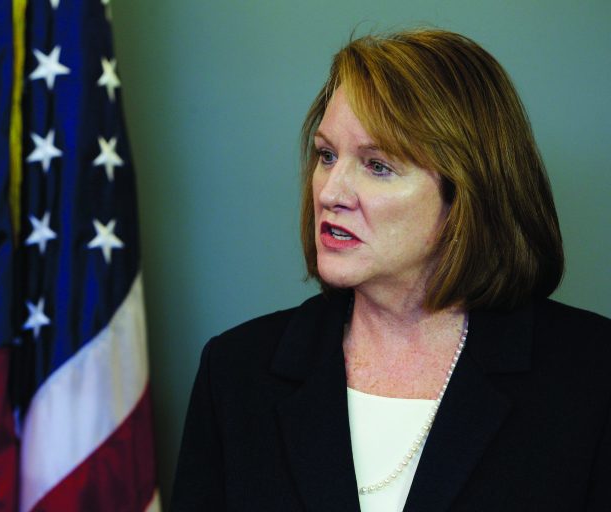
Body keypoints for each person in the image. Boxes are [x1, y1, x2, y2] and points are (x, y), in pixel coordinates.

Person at [170, 29, 611, 511]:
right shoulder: (236, 371)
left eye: (377, 165)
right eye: (327, 156)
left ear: (467, 192)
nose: (330, 193)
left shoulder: (591, 373)